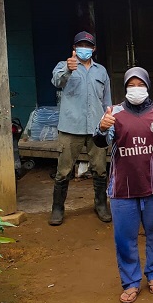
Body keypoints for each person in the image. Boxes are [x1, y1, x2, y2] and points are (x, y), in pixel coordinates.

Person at [94, 67, 153, 303]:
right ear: (125, 88)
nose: (135, 89)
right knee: (124, 238)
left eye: (139, 84)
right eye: (131, 85)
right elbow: (102, 141)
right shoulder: (114, 113)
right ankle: (130, 282)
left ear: (147, 86)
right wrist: (102, 127)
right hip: (122, 188)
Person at [49, 31, 112, 226]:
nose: (84, 48)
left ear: (94, 49)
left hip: (97, 127)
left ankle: (101, 204)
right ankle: (58, 208)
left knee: (100, 169)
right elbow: (56, 82)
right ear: (74, 49)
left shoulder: (101, 71)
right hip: (70, 128)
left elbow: (107, 99)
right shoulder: (63, 66)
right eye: (80, 45)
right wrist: (68, 69)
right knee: (64, 170)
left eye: (88, 45)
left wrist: (108, 121)